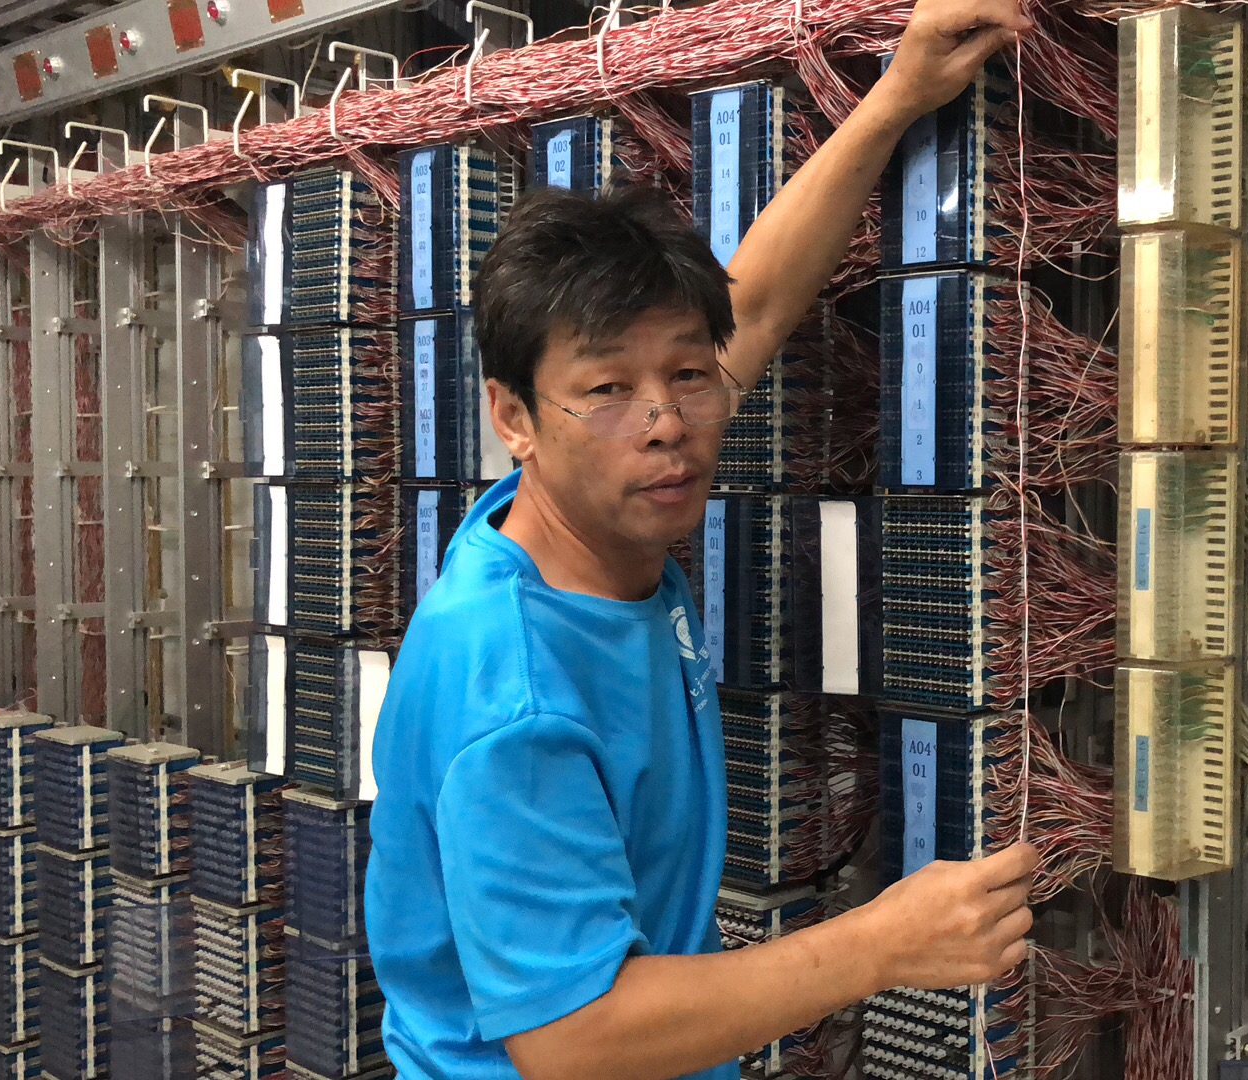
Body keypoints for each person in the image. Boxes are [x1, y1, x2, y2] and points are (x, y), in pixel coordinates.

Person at [363, 0, 1041, 1075]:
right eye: (607, 389)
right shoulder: (513, 694)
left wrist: (899, 96)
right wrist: (880, 945)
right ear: (513, 417)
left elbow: (753, 304)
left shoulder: (558, 527)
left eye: (686, 376)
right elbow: (573, 1040)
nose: (665, 422)